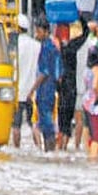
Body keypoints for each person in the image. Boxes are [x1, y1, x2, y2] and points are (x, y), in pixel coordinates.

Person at [56, 21, 90, 151]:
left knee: (62, 121)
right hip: (71, 88)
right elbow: (85, 34)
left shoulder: (61, 49)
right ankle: (66, 145)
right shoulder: (73, 47)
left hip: (63, 88)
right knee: (69, 120)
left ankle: (61, 147)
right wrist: (81, 18)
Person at [31, 17, 62, 152]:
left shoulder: (45, 48)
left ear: (45, 31)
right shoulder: (54, 48)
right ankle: (50, 153)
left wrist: (32, 90)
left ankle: (49, 153)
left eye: (38, 31)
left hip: (44, 92)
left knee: (47, 127)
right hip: (52, 91)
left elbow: (43, 73)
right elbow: (59, 73)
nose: (37, 34)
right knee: (48, 125)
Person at [12, 14, 43, 149]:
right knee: (34, 123)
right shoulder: (37, 45)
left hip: (18, 91)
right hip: (33, 91)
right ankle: (40, 148)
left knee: (16, 125)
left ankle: (17, 149)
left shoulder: (14, 46)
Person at [82, 44, 98, 159]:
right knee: (97, 136)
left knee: (88, 129)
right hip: (94, 105)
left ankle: (88, 153)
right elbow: (96, 86)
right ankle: (93, 158)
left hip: (86, 102)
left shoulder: (87, 70)